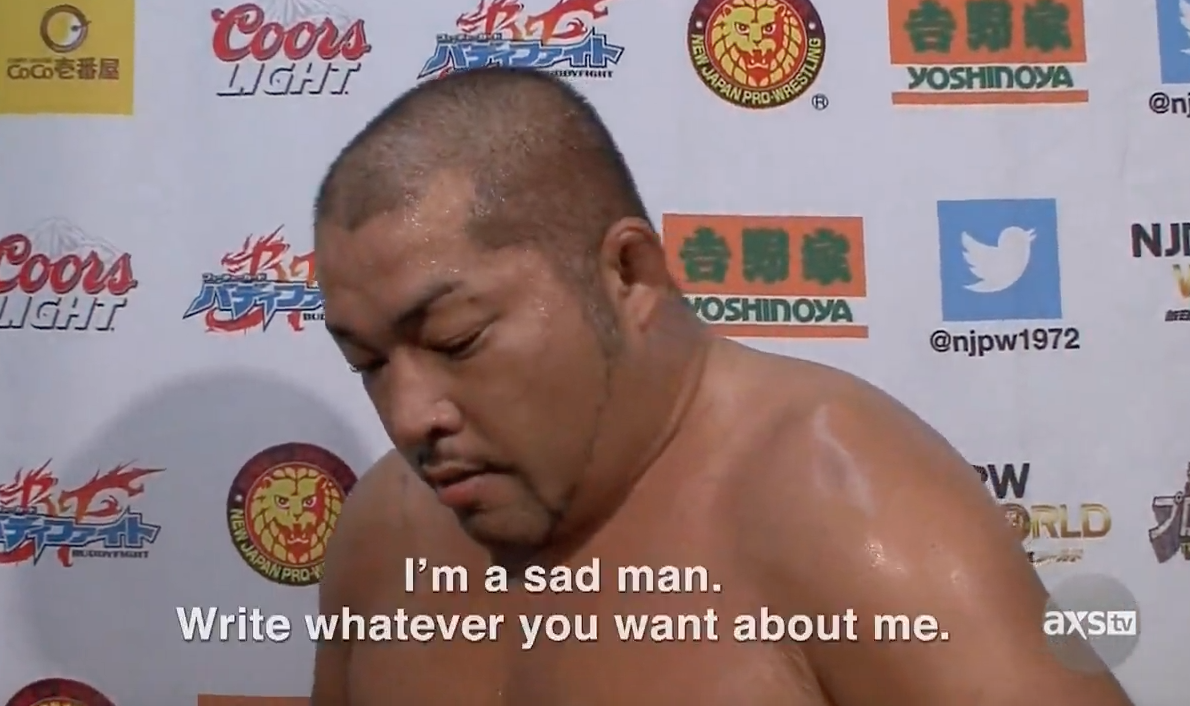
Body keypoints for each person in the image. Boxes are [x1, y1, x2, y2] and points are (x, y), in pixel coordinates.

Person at [309, 67, 1134, 706]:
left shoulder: (845, 508)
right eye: (368, 363)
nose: (408, 418)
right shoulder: (382, 531)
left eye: (457, 340)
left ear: (629, 274)